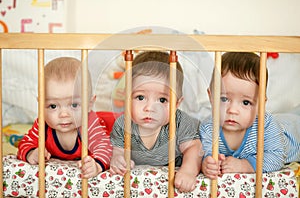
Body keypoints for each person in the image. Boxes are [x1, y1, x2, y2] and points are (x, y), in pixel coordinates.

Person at [109, 51, 203, 192]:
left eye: (162, 100)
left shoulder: (181, 123)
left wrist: (188, 171)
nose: (149, 108)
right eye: (140, 97)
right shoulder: (123, 123)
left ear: (177, 104)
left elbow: (195, 149)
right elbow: (117, 150)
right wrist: (118, 159)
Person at [200, 52, 300, 179]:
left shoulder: (267, 125)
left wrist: (246, 165)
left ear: (261, 105)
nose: (232, 110)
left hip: (292, 130)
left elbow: (276, 157)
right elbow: (205, 155)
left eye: (246, 102)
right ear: (210, 96)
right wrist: (206, 164)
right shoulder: (208, 128)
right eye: (224, 99)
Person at [17, 57, 112, 179]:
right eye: (53, 106)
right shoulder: (43, 125)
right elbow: (25, 143)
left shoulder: (90, 124)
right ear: (41, 104)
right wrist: (31, 153)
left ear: (89, 104)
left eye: (73, 105)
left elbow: (106, 148)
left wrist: (97, 165)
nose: (63, 114)